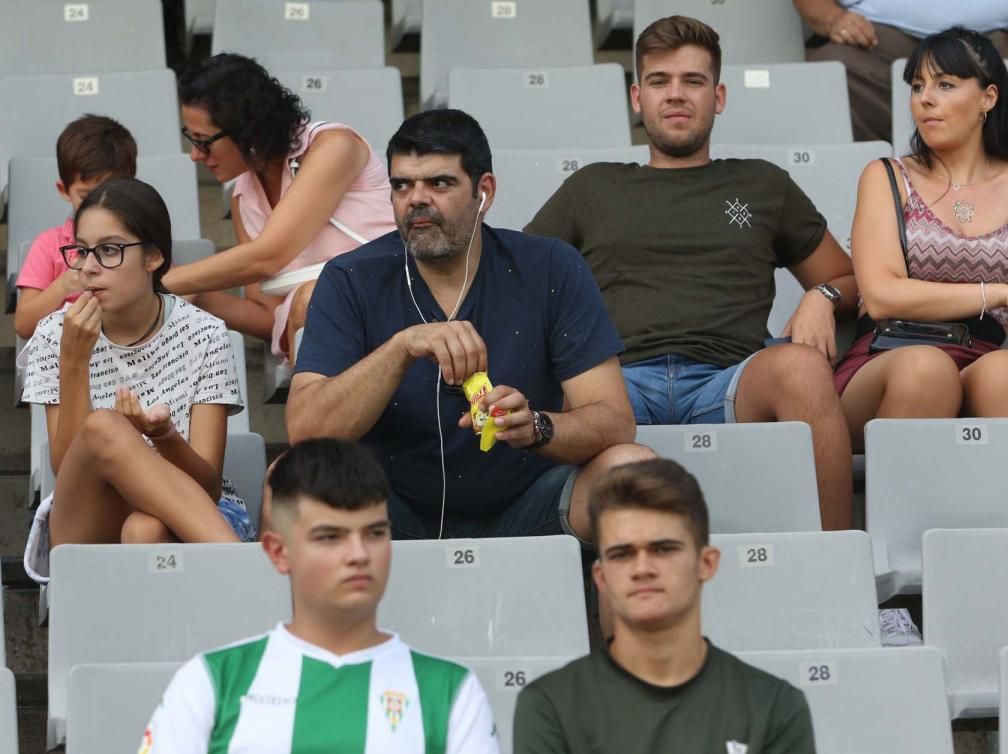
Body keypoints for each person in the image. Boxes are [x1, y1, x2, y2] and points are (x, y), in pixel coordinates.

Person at [526, 16, 856, 530]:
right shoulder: (591, 188)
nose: (675, 95)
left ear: (718, 97)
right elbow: (515, 280)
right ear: (637, 97)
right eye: (660, 81)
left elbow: (848, 278)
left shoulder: (762, 183)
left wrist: (824, 296)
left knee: (803, 369)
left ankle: (840, 566)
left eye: (693, 82)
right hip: (617, 387)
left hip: (729, 381)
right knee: (562, 389)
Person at [288, 109, 649, 542]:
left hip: (528, 502)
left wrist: (536, 427)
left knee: (632, 473)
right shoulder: (350, 277)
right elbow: (304, 431)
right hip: (384, 512)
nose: (416, 199)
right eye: (402, 185)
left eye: (439, 183)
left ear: (484, 192)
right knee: (290, 484)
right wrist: (401, 348)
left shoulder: (551, 266)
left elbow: (614, 420)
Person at [122, 438, 506, 754]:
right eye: (330, 537)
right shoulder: (209, 681)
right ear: (278, 552)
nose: (358, 554)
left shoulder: (453, 692)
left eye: (374, 533)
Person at [513, 459, 819, 754]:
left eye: (663, 549)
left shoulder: (773, 708)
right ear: (601, 577)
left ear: (707, 563)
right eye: (622, 554)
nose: (642, 568)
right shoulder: (551, 706)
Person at [21, 178, 251, 583]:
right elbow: (67, 467)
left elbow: (208, 488)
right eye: (82, 251)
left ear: (154, 257)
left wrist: (164, 437)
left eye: (109, 250)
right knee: (105, 426)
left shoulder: (204, 334)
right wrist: (73, 360)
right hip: (88, 518)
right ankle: (250, 578)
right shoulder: (56, 336)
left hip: (193, 512)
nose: (88, 268)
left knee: (145, 529)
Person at [162, 53, 395, 364]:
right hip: (315, 337)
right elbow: (273, 318)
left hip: (390, 303)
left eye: (203, 141)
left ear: (248, 131)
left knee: (316, 298)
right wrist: (192, 295)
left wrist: (156, 283)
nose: (195, 155)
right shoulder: (242, 199)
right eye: (190, 139)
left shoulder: (333, 146)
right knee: (308, 303)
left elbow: (268, 256)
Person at [834, 28, 1008, 443]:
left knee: (1005, 374)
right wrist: (998, 293)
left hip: (984, 356)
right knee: (927, 370)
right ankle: (901, 508)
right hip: (888, 355)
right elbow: (881, 296)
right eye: (917, 86)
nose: (925, 98)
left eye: (945, 85)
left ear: (988, 97)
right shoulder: (887, 176)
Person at [795, 1, 1008, 143]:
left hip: (993, 38)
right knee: (828, 76)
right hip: (872, 37)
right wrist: (831, 17)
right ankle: (889, 181)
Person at [14, 114, 138, 339]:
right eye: (86, 196)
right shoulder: (49, 244)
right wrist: (64, 286)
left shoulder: (141, 240)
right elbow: (23, 324)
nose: (99, 205)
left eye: (112, 193)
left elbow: (177, 292)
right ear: (63, 190)